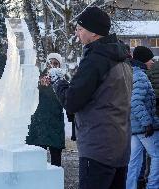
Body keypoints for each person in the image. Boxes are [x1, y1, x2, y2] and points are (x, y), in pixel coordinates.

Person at [44, 7, 133, 189]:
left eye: (80, 29)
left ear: (93, 32)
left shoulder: (96, 60)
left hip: (98, 148)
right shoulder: (122, 58)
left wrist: (57, 80)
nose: (77, 34)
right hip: (120, 146)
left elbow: (72, 101)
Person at [126, 46, 159, 189]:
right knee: (157, 156)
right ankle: (153, 186)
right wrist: (147, 123)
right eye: (150, 59)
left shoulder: (133, 73)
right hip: (143, 128)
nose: (152, 62)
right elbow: (135, 101)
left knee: (134, 162)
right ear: (144, 60)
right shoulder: (140, 76)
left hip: (134, 128)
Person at [26, 53, 65, 167]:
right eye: (50, 63)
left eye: (55, 63)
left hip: (55, 123)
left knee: (56, 160)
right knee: (37, 159)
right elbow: (30, 94)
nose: (52, 66)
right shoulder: (38, 78)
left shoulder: (63, 80)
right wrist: (40, 85)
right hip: (40, 123)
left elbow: (66, 99)